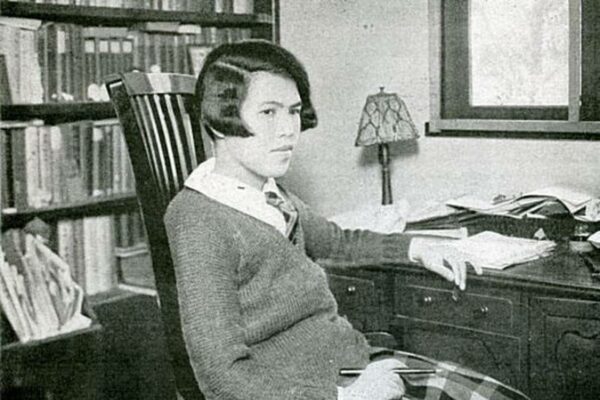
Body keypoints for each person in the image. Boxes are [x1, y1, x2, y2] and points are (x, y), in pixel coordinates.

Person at [164, 40, 528, 400]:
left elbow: (337, 242)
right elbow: (221, 375)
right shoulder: (199, 219)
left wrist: (417, 247)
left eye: (293, 111)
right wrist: (347, 397)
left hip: (350, 362)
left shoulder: (270, 193)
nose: (289, 129)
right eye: (269, 112)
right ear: (220, 121)